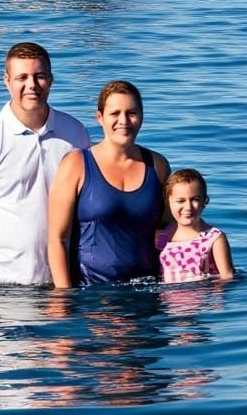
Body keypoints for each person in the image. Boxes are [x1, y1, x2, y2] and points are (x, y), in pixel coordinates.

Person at [0, 42, 90, 284]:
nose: (31, 85)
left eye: (39, 76)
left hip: (65, 282)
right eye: (22, 77)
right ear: (7, 81)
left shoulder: (75, 133)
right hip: (4, 284)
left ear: (51, 80)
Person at [48, 80, 170, 287]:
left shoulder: (157, 165)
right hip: (91, 295)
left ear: (141, 116)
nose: (124, 121)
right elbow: (57, 239)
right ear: (100, 118)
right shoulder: (77, 164)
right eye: (115, 114)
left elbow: (167, 230)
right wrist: (63, 296)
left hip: (146, 293)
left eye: (131, 113)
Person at [156, 168, 235, 283]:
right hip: (166, 300)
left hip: (202, 299)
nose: (188, 207)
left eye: (195, 199)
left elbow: (227, 277)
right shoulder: (161, 235)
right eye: (180, 201)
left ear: (205, 201)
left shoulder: (214, 238)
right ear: (168, 201)